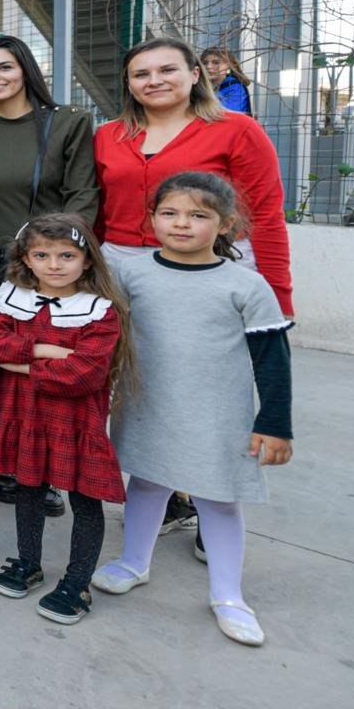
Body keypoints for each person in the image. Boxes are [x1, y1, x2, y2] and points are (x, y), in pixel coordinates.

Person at [93, 172, 293, 647]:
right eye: (170, 213)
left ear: (226, 224)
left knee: (218, 498)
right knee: (146, 481)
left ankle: (228, 596)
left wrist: (274, 423)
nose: (181, 224)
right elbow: (106, 336)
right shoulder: (130, 273)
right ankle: (134, 562)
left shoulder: (247, 285)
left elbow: (273, 360)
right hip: (148, 404)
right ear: (152, 218)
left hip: (217, 415)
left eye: (197, 215)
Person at [0, 35, 98, 513]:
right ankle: (8, 463)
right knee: (0, 364)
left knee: (48, 364)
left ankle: (48, 469)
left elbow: (83, 195)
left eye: (4, 67)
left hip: (49, 268)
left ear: (26, 70)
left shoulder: (68, 123)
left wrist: (57, 258)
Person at [0, 214, 130, 625]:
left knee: (84, 499)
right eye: (42, 255)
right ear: (26, 259)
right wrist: (48, 352)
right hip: (24, 413)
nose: (54, 264)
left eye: (67, 255)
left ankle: (77, 582)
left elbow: (84, 373)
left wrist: (21, 364)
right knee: (28, 488)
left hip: (75, 421)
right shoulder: (12, 297)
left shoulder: (99, 311)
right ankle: (28, 562)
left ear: (87, 260)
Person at [94, 37, 291, 316]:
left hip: (212, 262)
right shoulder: (107, 135)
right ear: (129, 83)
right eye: (141, 74)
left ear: (195, 74)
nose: (154, 81)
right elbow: (98, 210)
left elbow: (266, 215)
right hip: (122, 265)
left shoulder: (238, 130)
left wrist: (278, 296)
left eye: (167, 70)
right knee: (127, 344)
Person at [201, 46, 253, 116]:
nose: (208, 66)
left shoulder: (235, 87)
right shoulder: (200, 86)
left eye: (216, 62)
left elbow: (227, 116)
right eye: (205, 63)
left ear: (229, 65)